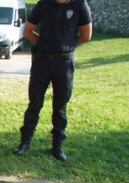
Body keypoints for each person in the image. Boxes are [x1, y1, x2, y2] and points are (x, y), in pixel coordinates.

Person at [13, 0, 92, 161]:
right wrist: (44, 43)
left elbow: (86, 35)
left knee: (60, 107)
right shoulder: (44, 4)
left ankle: (57, 147)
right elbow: (28, 31)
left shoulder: (79, 4)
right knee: (34, 104)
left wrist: (66, 43)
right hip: (42, 61)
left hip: (64, 62)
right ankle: (24, 143)